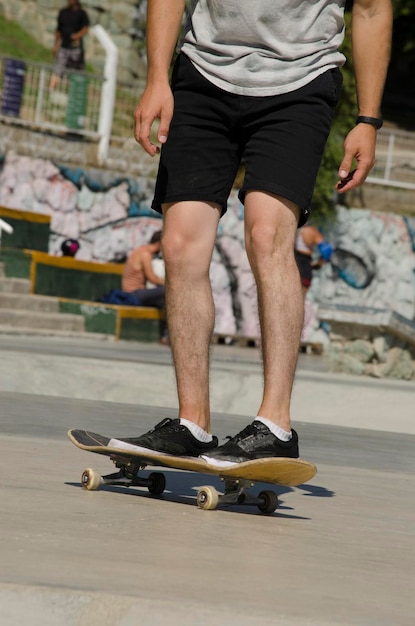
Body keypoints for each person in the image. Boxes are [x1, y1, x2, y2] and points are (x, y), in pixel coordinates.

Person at [127, 0, 392, 465]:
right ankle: (193, 422)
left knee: (267, 235)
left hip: (301, 81)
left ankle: (275, 425)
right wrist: (156, 79)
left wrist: (367, 120)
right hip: (202, 73)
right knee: (179, 244)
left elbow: (371, 8)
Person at [50, 0, 90, 90]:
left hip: (76, 49)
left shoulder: (82, 14)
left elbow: (85, 28)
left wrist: (77, 36)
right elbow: (58, 31)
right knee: (57, 70)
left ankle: (76, 93)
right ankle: (51, 90)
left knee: (77, 73)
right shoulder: (63, 12)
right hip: (64, 46)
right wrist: (55, 45)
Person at [122, 230, 165, 309]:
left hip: (134, 293)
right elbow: (152, 279)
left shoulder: (140, 250)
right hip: (134, 294)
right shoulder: (145, 254)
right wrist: (168, 284)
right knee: (165, 290)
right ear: (159, 243)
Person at [295, 225, 333, 294]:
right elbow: (326, 250)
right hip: (304, 261)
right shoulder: (312, 231)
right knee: (303, 289)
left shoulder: (296, 228)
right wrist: (320, 263)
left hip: (294, 257)